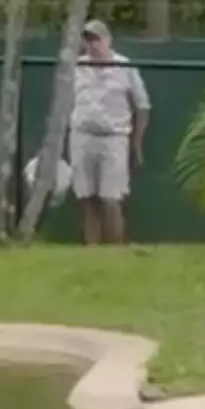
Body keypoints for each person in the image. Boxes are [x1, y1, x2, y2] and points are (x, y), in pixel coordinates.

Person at [71, 19, 151, 245]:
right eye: (88, 40)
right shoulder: (78, 67)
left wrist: (136, 143)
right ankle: (91, 250)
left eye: (97, 39)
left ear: (108, 40)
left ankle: (115, 248)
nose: (93, 45)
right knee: (86, 198)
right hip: (82, 136)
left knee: (111, 198)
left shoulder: (124, 66)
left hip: (114, 137)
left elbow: (142, 106)